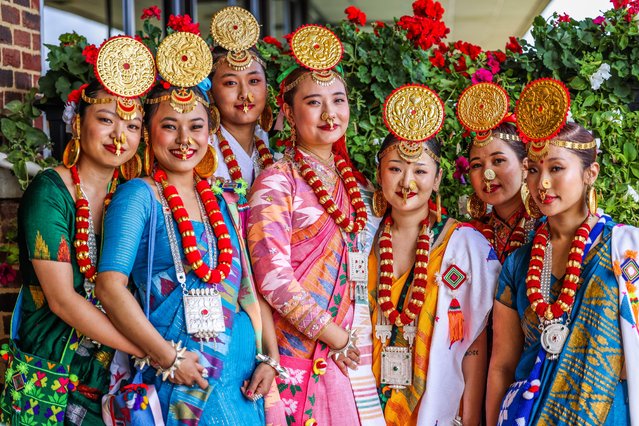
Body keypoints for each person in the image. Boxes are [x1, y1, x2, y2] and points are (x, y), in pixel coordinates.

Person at [95, 30, 283, 425]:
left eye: (196, 127)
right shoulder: (138, 196)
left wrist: (270, 359)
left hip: (244, 383)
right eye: (169, 126)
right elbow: (109, 287)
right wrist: (168, 356)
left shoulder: (222, 199)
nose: (184, 139)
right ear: (148, 133)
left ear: (209, 132)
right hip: (182, 380)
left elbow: (249, 289)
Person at [0, 36, 154, 425]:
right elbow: (62, 301)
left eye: (132, 125)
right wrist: (144, 349)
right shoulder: (50, 191)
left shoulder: (131, 196)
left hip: (115, 373)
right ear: (76, 123)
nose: (120, 136)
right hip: (52, 371)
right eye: (106, 120)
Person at [247, 25, 383, 425]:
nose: (330, 114)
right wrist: (334, 336)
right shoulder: (277, 180)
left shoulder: (358, 187)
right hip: (298, 352)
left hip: (352, 352)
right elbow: (270, 274)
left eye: (338, 101)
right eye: (314, 102)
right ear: (288, 111)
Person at [486, 78, 637, 425]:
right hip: (524, 413)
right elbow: (503, 365)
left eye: (556, 168)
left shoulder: (626, 251)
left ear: (590, 173)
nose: (543, 184)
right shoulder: (519, 262)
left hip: (603, 412)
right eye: (534, 170)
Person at [365, 84, 501, 426]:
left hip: (436, 406)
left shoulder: (464, 248)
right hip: (360, 399)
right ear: (379, 173)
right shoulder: (360, 238)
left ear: (438, 178)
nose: (407, 182)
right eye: (395, 168)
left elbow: (471, 347)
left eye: (421, 171)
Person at [457, 82, 536, 263]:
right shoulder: (468, 235)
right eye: (477, 165)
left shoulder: (547, 229)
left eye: (498, 161)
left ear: (525, 166)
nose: (487, 174)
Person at [208, 6, 275, 192]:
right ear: (210, 92)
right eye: (230, 83)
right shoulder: (202, 149)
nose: (245, 94)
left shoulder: (270, 149)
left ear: (267, 89)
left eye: (254, 81)